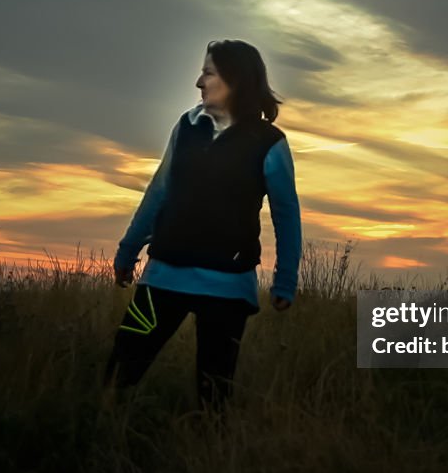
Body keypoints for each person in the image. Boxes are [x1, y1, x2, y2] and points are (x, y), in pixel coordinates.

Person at [102, 39, 302, 416]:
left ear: (234, 80)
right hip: (161, 282)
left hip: (227, 291)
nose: (199, 81)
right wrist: (128, 251)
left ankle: (210, 465)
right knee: (118, 375)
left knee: (214, 398)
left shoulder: (269, 143)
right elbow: (158, 192)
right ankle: (97, 440)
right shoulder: (187, 127)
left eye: (208, 73)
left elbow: (287, 215)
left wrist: (285, 280)